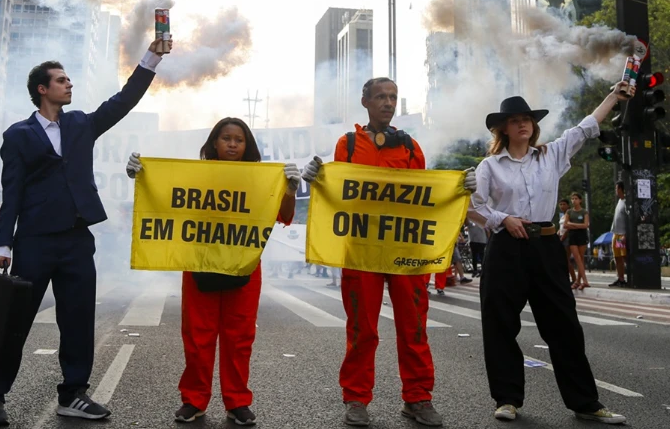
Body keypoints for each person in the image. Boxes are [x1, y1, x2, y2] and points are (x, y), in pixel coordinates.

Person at [0, 38, 171, 426]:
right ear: (42, 89)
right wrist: (3, 243)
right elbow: (11, 192)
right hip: (34, 241)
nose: (69, 85)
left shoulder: (81, 123)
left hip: (76, 239)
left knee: (78, 318)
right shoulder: (18, 134)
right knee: (14, 321)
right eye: (61, 80)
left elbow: (123, 100)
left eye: (69, 80)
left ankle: (73, 394)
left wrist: (151, 58)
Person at [302, 77, 477, 427]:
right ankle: (356, 399)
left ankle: (418, 398)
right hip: (361, 251)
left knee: (413, 327)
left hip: (406, 251)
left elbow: (425, 196)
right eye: (380, 97)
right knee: (362, 329)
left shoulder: (410, 147)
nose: (388, 102)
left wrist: (460, 189)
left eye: (393, 97)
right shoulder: (347, 144)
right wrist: (316, 179)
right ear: (365, 101)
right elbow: (339, 193)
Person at [468, 83, 631, 425]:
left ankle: (586, 403)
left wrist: (614, 97)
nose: (522, 125)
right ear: (503, 128)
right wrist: (503, 219)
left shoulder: (551, 154)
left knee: (564, 325)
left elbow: (587, 126)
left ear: (534, 125)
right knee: (500, 325)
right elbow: (472, 207)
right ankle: (507, 399)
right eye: (514, 121)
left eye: (527, 119)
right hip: (506, 248)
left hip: (545, 246)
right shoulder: (489, 167)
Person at [126, 117, 300, 426]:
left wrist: (288, 189)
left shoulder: (260, 180)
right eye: (226, 138)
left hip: (243, 267)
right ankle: (194, 401)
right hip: (200, 265)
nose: (232, 144)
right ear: (213, 144)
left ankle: (237, 402)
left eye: (239, 139)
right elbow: (168, 203)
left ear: (248, 146)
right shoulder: (196, 176)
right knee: (197, 337)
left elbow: (284, 216)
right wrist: (144, 176)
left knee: (239, 338)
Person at [565, 192, 590, 290]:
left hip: (582, 236)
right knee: (577, 258)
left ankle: (578, 281)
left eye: (576, 198)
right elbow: (565, 225)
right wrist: (577, 225)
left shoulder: (584, 212)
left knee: (581, 258)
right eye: (572, 199)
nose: (574, 200)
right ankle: (585, 280)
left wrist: (573, 224)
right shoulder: (569, 212)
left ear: (580, 200)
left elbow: (585, 225)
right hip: (573, 236)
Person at [609, 181, 627, 287]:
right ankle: (620, 278)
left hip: (622, 234)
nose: (615, 190)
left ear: (620, 189)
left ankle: (627, 278)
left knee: (623, 257)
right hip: (616, 234)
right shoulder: (620, 201)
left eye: (616, 188)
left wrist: (626, 234)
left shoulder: (626, 202)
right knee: (617, 257)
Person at [557, 198, 577, 284]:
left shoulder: (569, 214)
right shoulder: (562, 215)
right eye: (561, 204)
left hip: (567, 238)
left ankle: (573, 279)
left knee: (566, 260)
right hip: (561, 237)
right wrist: (556, 235)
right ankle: (566, 278)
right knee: (563, 260)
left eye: (564, 204)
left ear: (568, 205)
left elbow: (568, 228)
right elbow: (561, 228)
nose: (562, 206)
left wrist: (562, 238)